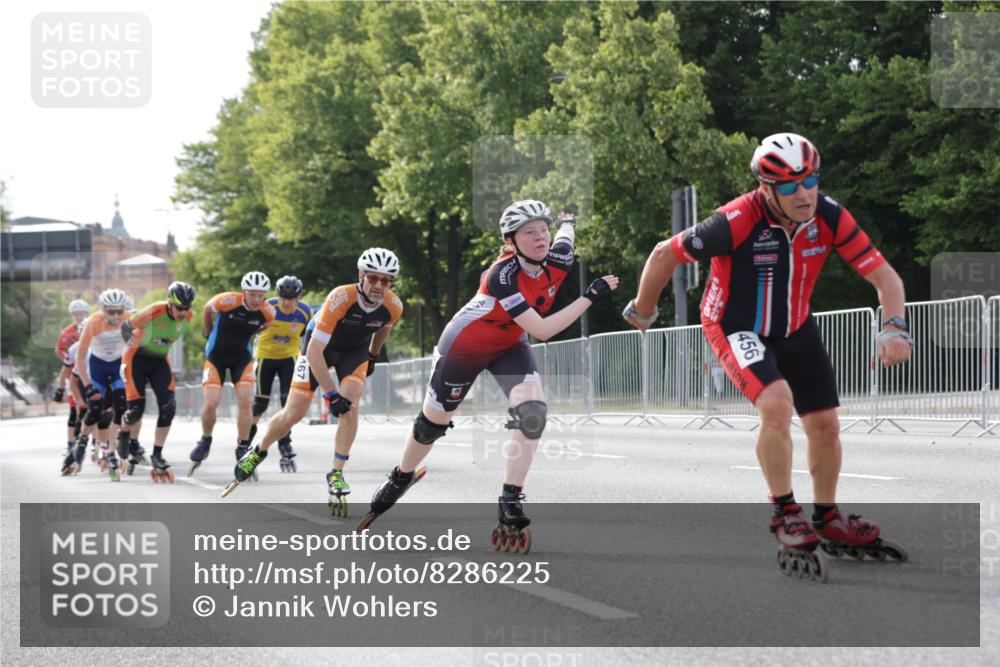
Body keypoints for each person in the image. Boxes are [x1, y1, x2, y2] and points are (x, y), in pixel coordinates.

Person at [623, 133, 913, 578]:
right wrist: (643, 310)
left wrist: (893, 327)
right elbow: (665, 254)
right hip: (735, 325)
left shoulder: (829, 215)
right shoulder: (735, 220)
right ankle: (784, 511)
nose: (805, 193)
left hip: (796, 327)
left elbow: (886, 279)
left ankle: (828, 516)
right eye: (791, 186)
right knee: (776, 403)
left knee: (825, 424)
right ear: (766, 189)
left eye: (811, 179)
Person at [360, 201, 619, 551]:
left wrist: (567, 219)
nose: (540, 237)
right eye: (530, 233)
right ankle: (401, 476)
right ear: (511, 241)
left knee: (533, 414)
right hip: (463, 348)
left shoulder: (559, 257)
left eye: (543, 229)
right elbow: (542, 330)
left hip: (509, 346)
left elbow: (566, 234)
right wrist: (590, 296)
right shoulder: (502, 276)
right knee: (430, 427)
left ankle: (510, 498)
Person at [223, 249, 403, 512]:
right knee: (294, 412)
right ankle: (258, 450)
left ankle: (336, 473)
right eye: (373, 278)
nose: (378, 285)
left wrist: (373, 354)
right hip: (318, 348)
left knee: (351, 407)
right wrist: (330, 395)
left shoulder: (394, 306)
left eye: (385, 281)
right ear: (361, 275)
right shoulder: (341, 297)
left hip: (354, 352)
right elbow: (314, 352)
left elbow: (385, 327)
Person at [188, 271, 275, 475]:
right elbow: (206, 309)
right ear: (244, 292)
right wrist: (208, 333)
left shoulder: (268, 311)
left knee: (246, 402)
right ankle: (206, 439)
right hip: (215, 357)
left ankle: (243, 446)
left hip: (241, 359)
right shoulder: (226, 300)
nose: (256, 299)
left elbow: (264, 326)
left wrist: (247, 336)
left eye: (260, 295)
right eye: (252, 294)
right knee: (211, 402)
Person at [116, 282, 196, 482]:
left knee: (169, 407)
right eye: (179, 308)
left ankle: (157, 454)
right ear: (170, 303)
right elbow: (126, 328)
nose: (183, 313)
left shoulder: (189, 317)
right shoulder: (154, 311)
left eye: (186, 309)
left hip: (159, 361)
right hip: (136, 359)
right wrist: (134, 346)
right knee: (135, 411)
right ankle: (124, 432)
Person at [63, 288, 131, 480]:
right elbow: (80, 358)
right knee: (94, 410)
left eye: (119, 311)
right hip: (98, 366)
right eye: (111, 312)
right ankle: (82, 441)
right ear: (103, 309)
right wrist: (88, 385)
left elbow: (135, 346)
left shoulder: (128, 318)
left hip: (117, 364)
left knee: (120, 405)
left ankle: (110, 451)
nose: (116, 316)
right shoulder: (93, 322)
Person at [251, 275, 312, 472]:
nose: (286, 303)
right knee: (260, 403)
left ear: (298, 297)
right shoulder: (267, 308)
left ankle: (285, 443)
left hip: (289, 359)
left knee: (288, 403)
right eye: (283, 298)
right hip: (265, 357)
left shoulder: (305, 312)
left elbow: (309, 338)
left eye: (291, 298)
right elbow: (250, 330)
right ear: (277, 296)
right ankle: (245, 443)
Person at [54, 299, 90, 450]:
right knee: (75, 409)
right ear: (72, 315)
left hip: (90, 374)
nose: (79, 316)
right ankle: (71, 443)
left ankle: (97, 442)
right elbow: (59, 349)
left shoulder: (91, 326)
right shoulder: (66, 333)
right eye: (76, 314)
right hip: (73, 374)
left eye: (81, 313)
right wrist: (69, 358)